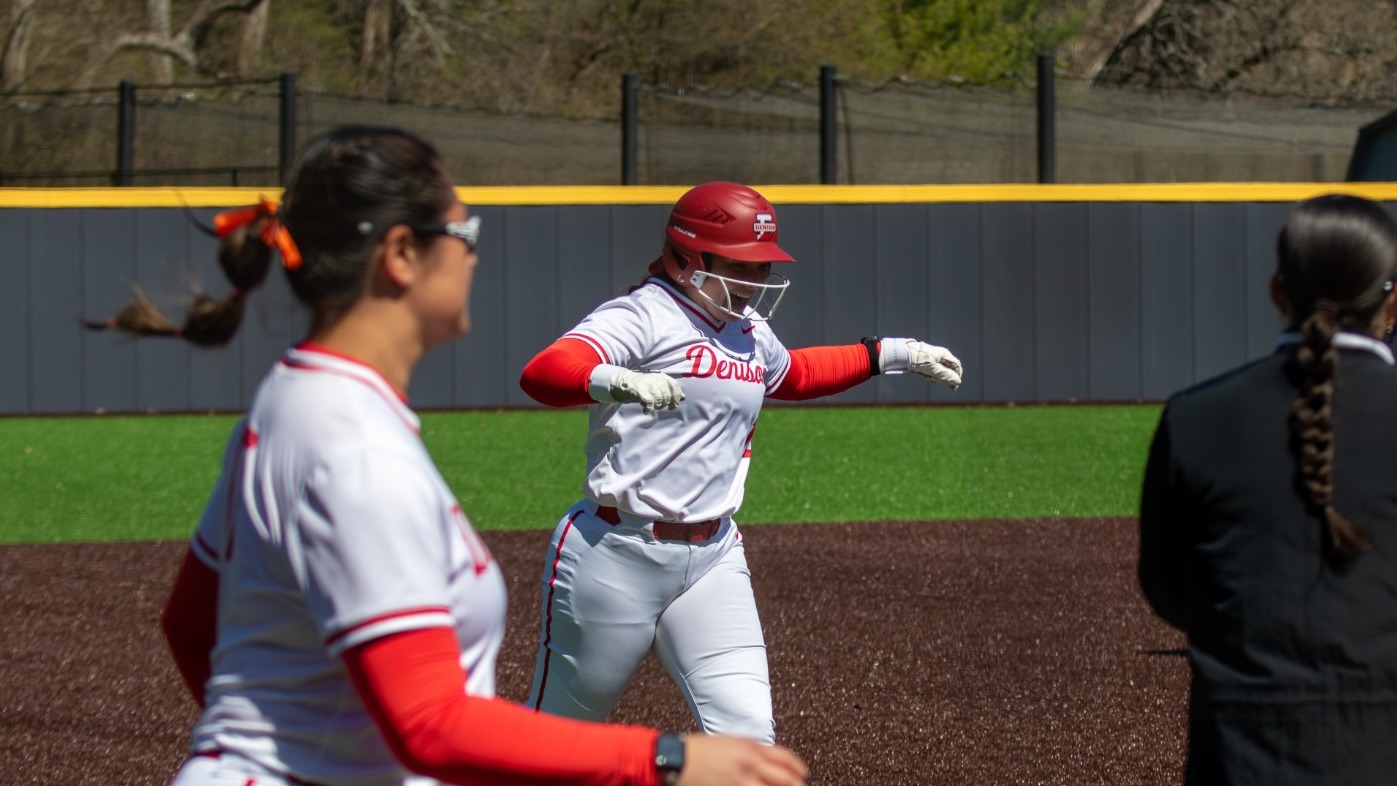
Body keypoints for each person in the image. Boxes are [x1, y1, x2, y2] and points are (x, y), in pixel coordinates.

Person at [88, 127, 808, 786]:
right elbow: (431, 724)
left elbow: (190, 620)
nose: (474, 249)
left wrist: (270, 738)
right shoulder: (357, 452)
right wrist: (668, 760)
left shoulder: (294, 397)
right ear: (402, 254)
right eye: (463, 229)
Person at [518, 181, 965, 743]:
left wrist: (891, 353)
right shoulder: (644, 314)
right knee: (557, 739)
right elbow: (544, 372)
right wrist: (615, 380)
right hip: (615, 553)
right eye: (741, 264)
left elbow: (795, 375)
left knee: (748, 738)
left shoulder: (747, 327)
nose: (754, 279)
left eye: (760, 266)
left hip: (713, 557)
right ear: (689, 256)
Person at [1139, 193, 1397, 785]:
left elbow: (1169, 589)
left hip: (1241, 760)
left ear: (1278, 293)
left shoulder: (1195, 420)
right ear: (1392, 300)